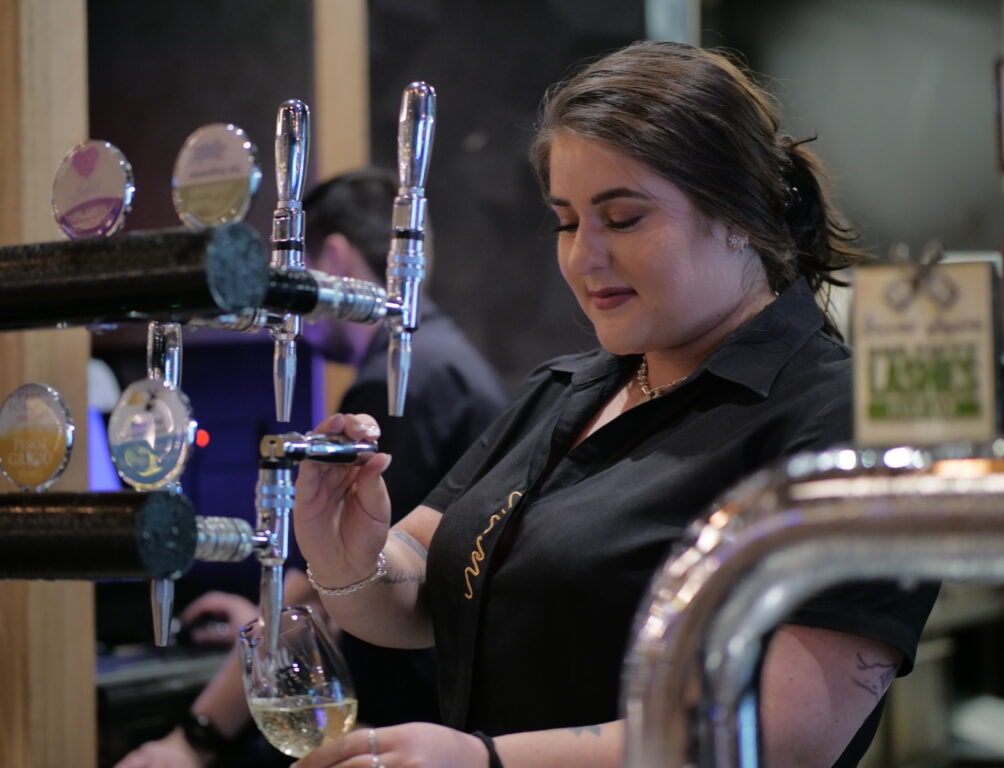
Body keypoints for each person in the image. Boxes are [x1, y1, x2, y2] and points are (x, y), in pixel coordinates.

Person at [288, 41, 938, 768]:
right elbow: (416, 589)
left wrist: (488, 762)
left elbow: (783, 740)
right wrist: (345, 553)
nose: (581, 257)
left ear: (740, 216)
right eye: (567, 221)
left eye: (622, 219)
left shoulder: (850, 418)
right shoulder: (566, 391)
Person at [112, 168, 507, 768]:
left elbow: (334, 580)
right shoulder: (448, 361)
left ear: (336, 259)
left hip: (404, 723)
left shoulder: (397, 385)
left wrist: (192, 740)